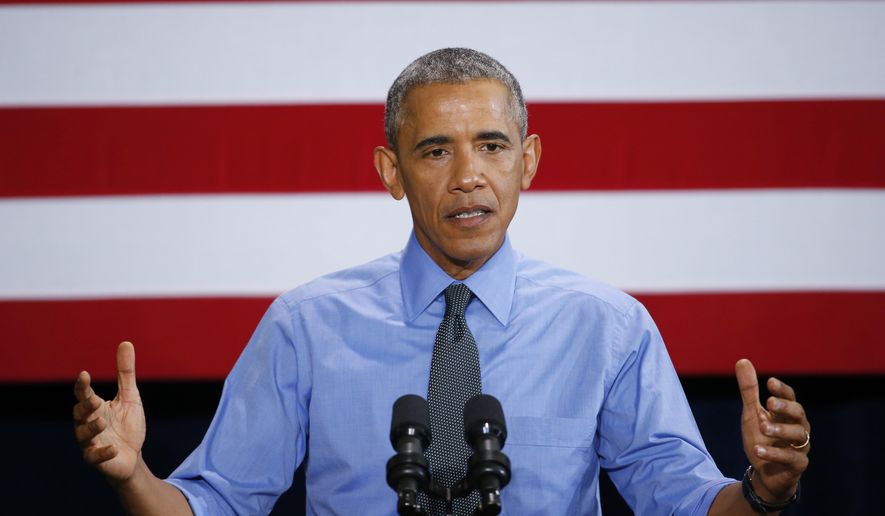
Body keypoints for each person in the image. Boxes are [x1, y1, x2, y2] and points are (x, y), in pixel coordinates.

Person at [73, 48, 810, 515]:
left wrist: (760, 493)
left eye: (491, 146)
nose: (467, 177)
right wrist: (133, 476)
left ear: (526, 163)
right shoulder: (306, 324)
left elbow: (679, 501)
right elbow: (219, 502)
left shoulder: (606, 327)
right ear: (391, 173)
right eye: (434, 151)